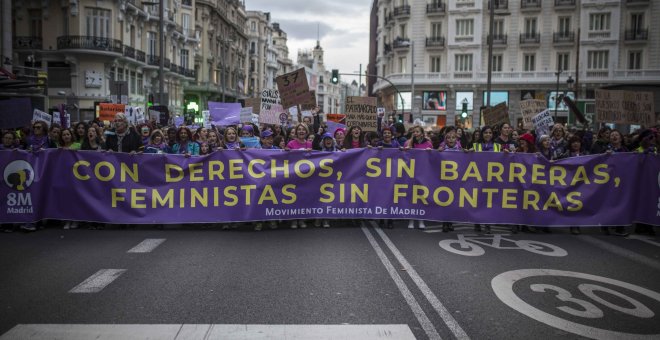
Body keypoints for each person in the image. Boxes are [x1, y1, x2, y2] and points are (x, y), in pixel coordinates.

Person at [404, 126, 432, 230]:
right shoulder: (409, 143)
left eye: (417, 131)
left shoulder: (428, 143)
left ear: (422, 133)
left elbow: (432, 158)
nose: (415, 133)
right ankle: (411, 219)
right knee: (412, 196)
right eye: (414, 131)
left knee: (421, 196)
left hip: (423, 172)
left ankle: (421, 220)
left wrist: (430, 151)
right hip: (411, 172)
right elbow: (404, 156)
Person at [286, 123, 313, 229]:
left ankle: (301, 219)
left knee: (303, 197)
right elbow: (285, 157)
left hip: (306, 175)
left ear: (306, 132)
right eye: (299, 129)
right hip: (293, 174)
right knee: (293, 197)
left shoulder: (309, 144)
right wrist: (287, 151)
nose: (301, 131)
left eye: (303, 130)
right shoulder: (291, 143)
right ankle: (293, 220)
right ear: (296, 132)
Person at [437, 127, 463, 232]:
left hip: (455, 180)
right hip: (444, 180)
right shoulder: (442, 149)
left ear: (456, 139)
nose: (451, 140)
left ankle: (450, 222)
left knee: (453, 202)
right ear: (445, 139)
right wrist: (438, 152)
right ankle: (444, 222)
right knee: (444, 201)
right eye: (449, 138)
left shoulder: (460, 150)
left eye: (453, 138)